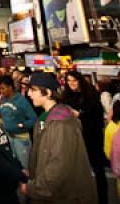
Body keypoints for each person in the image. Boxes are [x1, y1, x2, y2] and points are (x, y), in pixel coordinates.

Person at [22, 72, 97, 203]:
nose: (29, 94)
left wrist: (34, 188)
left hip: (63, 195)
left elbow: (58, 166)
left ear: (48, 93)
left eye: (33, 90)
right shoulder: (46, 117)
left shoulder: (60, 122)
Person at [62, 70, 108, 204]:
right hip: (75, 138)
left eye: (74, 80)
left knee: (98, 170)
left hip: (92, 137)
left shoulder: (91, 94)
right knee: (79, 171)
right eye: (68, 81)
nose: (71, 83)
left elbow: (98, 117)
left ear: (80, 80)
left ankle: (102, 198)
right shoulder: (66, 96)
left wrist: (80, 115)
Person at [0, 74, 36, 169]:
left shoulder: (21, 101)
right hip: (7, 139)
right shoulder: (2, 99)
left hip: (21, 140)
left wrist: (22, 125)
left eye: (3, 88)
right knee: (13, 168)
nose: (1, 91)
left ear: (10, 87)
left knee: (24, 168)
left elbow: (34, 119)